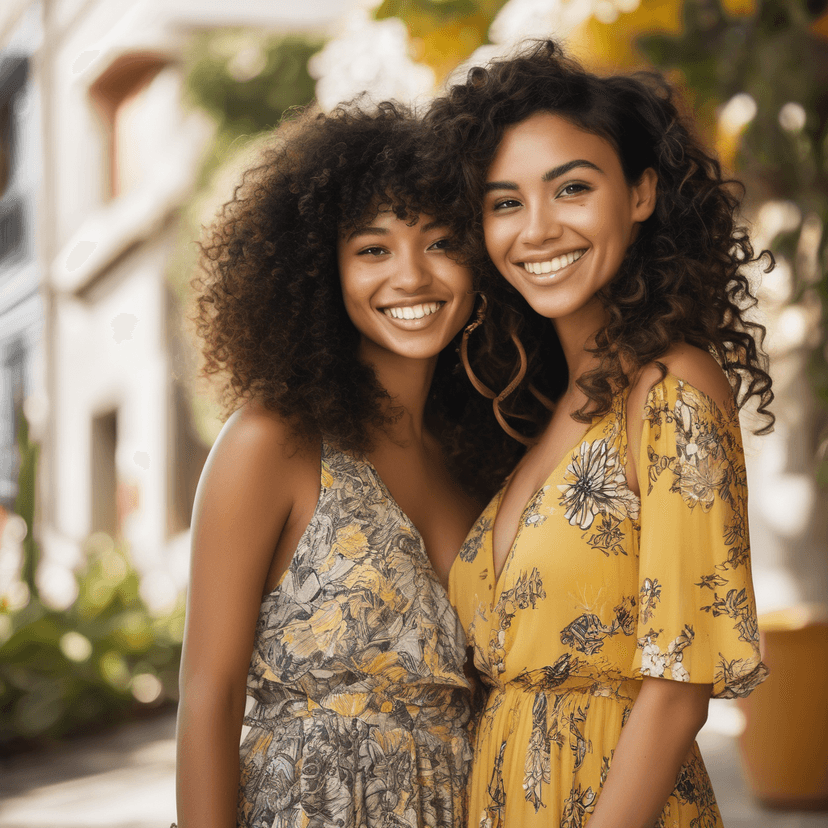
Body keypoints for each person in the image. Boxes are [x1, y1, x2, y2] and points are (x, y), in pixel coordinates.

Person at [425, 40, 774, 828]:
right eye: (505, 202)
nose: (538, 229)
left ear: (642, 193)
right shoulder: (547, 412)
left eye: (572, 189)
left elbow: (678, 693)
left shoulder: (673, 388)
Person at [175, 102, 521, 828]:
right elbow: (209, 694)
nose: (413, 276)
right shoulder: (272, 443)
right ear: (321, 269)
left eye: (442, 242)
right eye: (373, 249)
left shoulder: (478, 455)